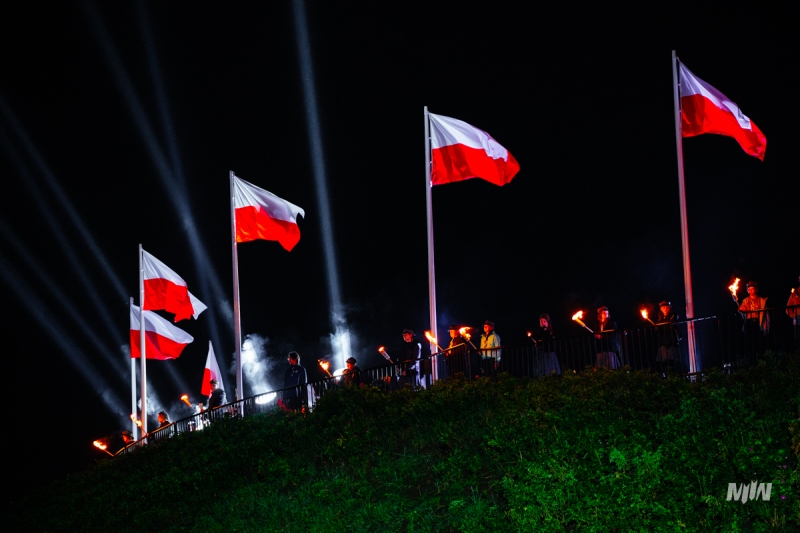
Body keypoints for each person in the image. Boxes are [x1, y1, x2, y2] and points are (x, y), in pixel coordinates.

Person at [739, 281, 769, 357]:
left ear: (756, 290)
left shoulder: (762, 300)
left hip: (759, 323)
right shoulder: (745, 301)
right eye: (749, 289)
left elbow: (766, 315)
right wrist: (742, 311)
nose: (751, 291)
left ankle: (760, 360)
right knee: (750, 343)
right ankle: (752, 361)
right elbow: (743, 315)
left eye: (752, 289)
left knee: (760, 343)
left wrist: (766, 327)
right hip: (749, 324)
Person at [654, 301, 680, 375]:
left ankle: (673, 377)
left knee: (672, 362)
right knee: (663, 362)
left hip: (671, 342)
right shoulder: (659, 317)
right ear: (661, 308)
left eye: (667, 307)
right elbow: (658, 330)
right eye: (663, 307)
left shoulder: (673, 316)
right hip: (662, 342)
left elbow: (672, 327)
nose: (665, 309)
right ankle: (665, 377)